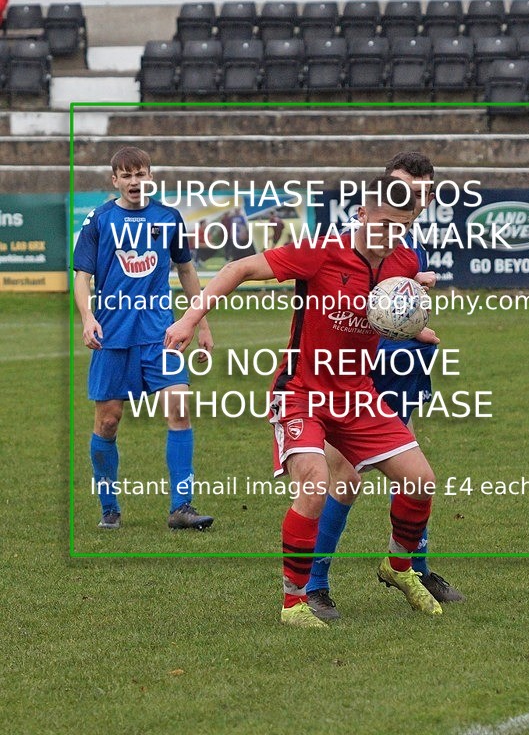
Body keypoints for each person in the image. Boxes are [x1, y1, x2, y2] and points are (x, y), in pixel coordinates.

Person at [165, 175, 444, 627]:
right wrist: (191, 317)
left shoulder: (404, 260)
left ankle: (397, 568)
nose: (389, 234)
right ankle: (294, 602)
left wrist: (415, 326)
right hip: (301, 392)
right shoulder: (320, 252)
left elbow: (387, 307)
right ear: (362, 214)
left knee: (420, 482)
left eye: (401, 226)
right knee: (314, 484)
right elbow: (238, 269)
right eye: (383, 223)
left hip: (356, 393)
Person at [306, 152, 464, 621]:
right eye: (404, 191)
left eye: (423, 194)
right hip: (353, 375)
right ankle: (314, 584)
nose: (414, 202)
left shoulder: (410, 248)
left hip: (403, 371)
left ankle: (414, 566)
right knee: (344, 478)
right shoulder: (354, 244)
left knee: (412, 473)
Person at [73, 146, 214, 531]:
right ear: (115, 180)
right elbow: (82, 277)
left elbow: (186, 270)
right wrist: (88, 318)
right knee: (108, 422)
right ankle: (109, 509)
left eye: (141, 174)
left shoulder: (168, 218)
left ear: (150, 177)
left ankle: (181, 507)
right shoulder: (99, 220)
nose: (135, 182)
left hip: (159, 334)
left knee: (180, 404)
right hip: (112, 335)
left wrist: (199, 321)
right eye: (127, 175)